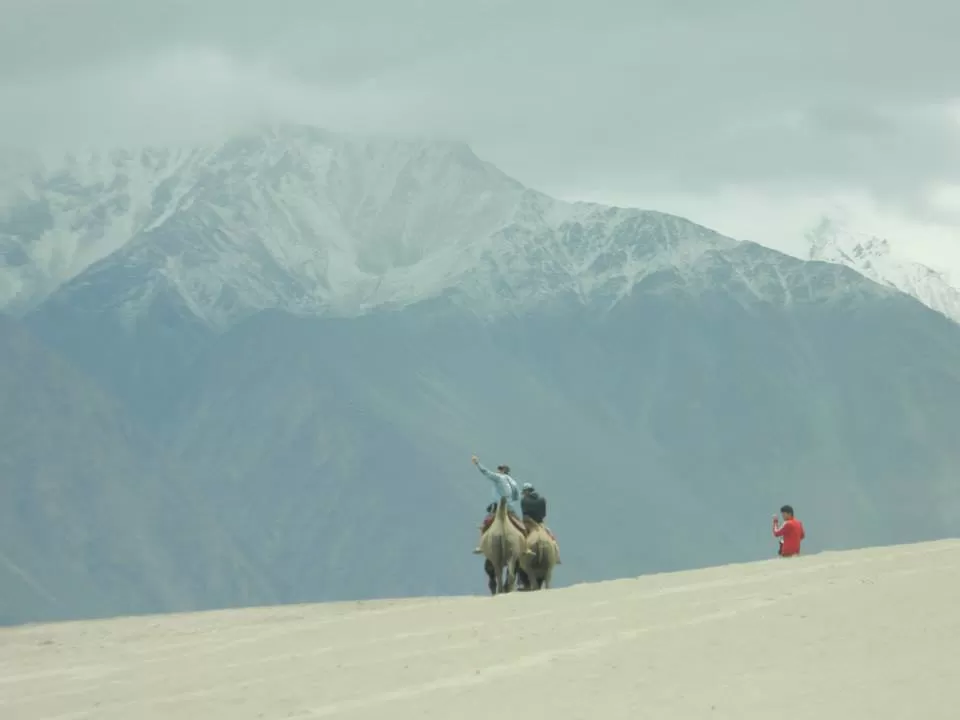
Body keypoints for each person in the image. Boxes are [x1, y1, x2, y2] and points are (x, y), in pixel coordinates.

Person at [471, 456, 525, 554]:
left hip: (497, 507)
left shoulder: (499, 477)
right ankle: (525, 547)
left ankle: (481, 547)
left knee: (485, 525)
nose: (498, 470)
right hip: (509, 508)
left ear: (503, 471)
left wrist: (477, 463)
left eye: (500, 469)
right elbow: (517, 497)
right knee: (521, 526)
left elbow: (486, 472)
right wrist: (510, 503)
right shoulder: (514, 482)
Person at [520, 483, 561, 564]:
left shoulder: (524, 500)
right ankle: (556, 556)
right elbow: (544, 514)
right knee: (551, 536)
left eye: (524, 492)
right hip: (540, 523)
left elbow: (525, 515)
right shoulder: (542, 499)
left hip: (529, 524)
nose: (523, 494)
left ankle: (525, 549)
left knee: (521, 536)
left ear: (527, 491)